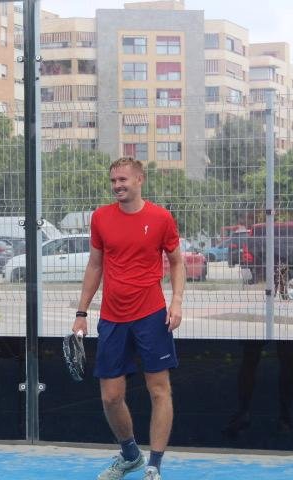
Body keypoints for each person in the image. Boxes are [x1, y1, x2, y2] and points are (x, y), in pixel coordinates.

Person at [72, 157, 185, 480]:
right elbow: (95, 265)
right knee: (111, 396)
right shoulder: (101, 218)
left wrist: (176, 302)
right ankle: (131, 455)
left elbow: (177, 263)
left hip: (151, 316)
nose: (117, 186)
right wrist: (81, 313)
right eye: (113, 181)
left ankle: (154, 466)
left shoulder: (161, 218)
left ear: (139, 180)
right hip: (111, 318)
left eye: (123, 180)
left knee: (159, 390)